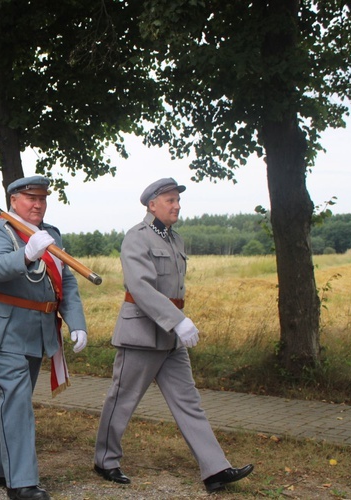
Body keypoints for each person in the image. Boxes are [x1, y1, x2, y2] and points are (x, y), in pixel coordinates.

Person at [93, 178, 254, 492]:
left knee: (189, 401)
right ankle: (105, 461)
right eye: (170, 200)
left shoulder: (175, 240)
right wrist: (177, 320)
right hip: (141, 333)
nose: (177, 205)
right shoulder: (136, 238)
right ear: (152, 204)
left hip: (170, 337)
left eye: (177, 200)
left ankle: (215, 469)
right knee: (122, 401)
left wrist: (177, 324)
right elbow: (140, 287)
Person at [0, 176, 88, 500]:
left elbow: (68, 284)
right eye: (30, 198)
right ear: (13, 200)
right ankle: (21, 483)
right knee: (17, 400)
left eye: (42, 199)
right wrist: (26, 254)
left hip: (36, 331)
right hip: (1, 330)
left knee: (8, 400)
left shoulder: (52, 235)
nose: (37, 204)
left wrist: (77, 322)